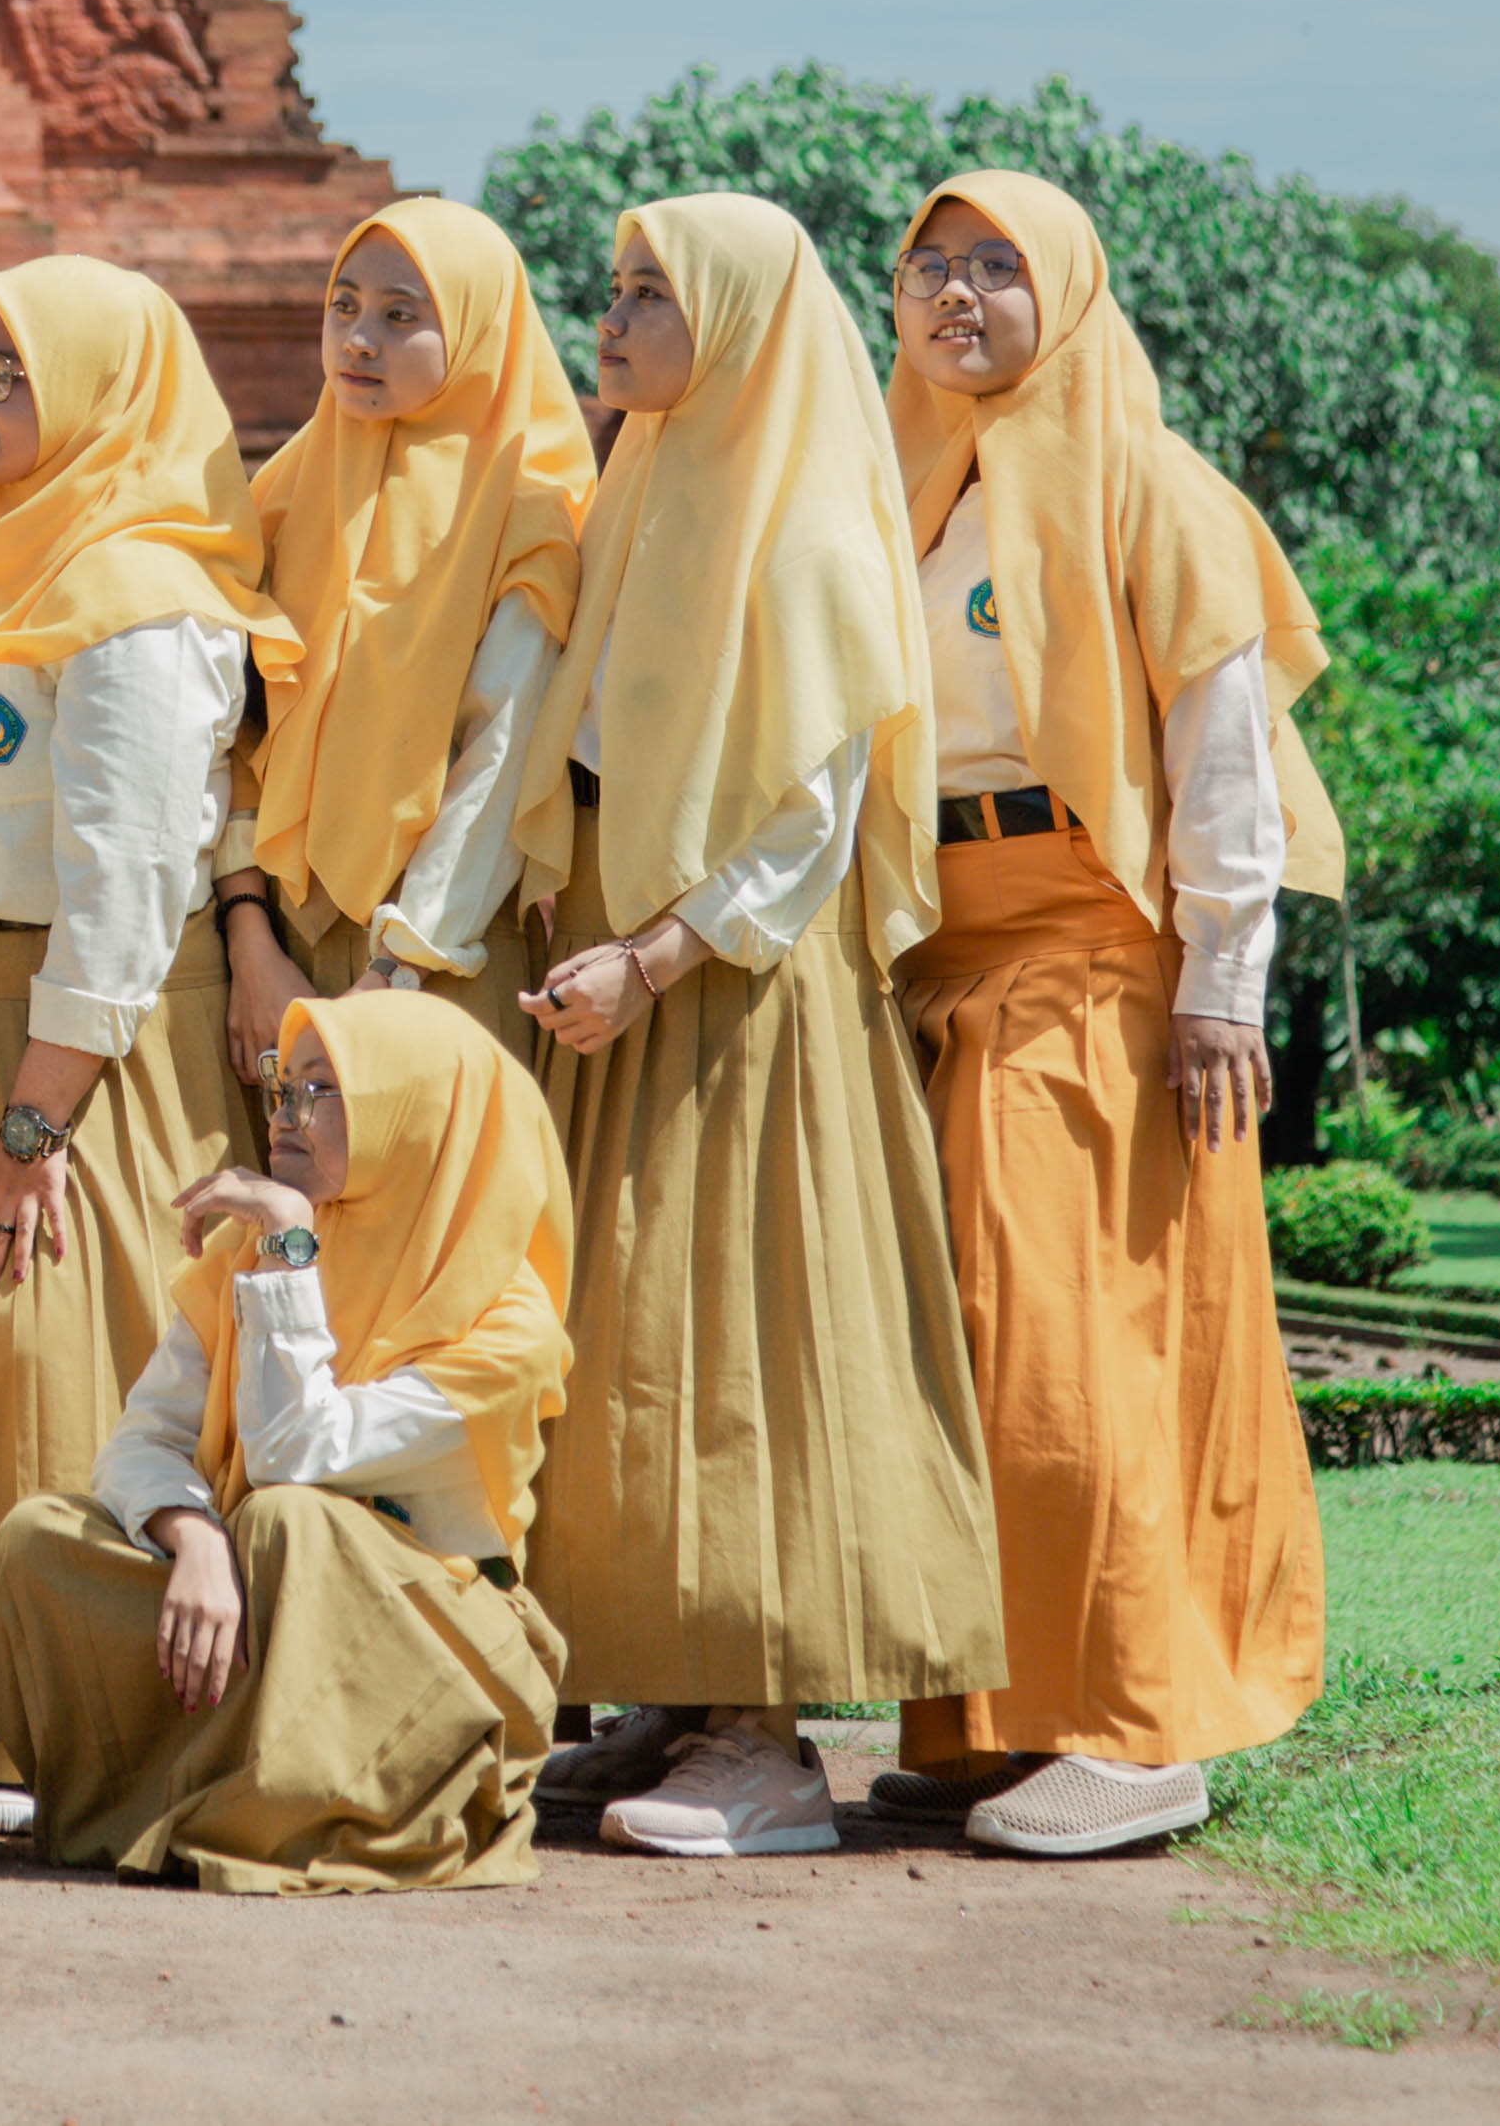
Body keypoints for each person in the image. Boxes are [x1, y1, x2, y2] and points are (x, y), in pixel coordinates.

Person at [506, 194, 1007, 1862]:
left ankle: (771, 1739)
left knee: (745, 1345)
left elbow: (807, 815)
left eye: (654, 292)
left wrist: (650, 957)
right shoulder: (645, 491)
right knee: (636, 1341)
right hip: (626, 975)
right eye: (614, 283)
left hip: (737, 1000)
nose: (615, 314)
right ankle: (674, 1680)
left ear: (734, 325)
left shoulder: (800, 529)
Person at [876, 170, 1337, 1860]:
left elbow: (1223, 766)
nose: (957, 299)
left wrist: (1221, 988)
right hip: (938, 943)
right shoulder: (904, 481)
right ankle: (994, 1721)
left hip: (1097, 945)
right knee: (972, 1350)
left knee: (1079, 1345)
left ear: (1064, 290)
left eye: (998, 268)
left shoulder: (1151, 488)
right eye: (929, 269)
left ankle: (1140, 1726)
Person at [0, 258, 293, 1527]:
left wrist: (32, 1129)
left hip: (74, 1047)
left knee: (54, 1363)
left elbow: (129, 875)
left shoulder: (137, 602)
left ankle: (80, 1700)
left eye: (12, 373)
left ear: (106, 396)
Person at [0, 989, 571, 1891]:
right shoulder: (243, 1257)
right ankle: (203, 1796)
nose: (283, 1115)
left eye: (320, 1092)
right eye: (283, 1088)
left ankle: (263, 1804)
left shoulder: (506, 1321)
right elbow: (138, 1444)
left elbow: (297, 1451)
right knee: (39, 1539)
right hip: (257, 1607)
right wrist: (194, 1534)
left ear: (413, 1117)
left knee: (291, 1522)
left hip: (432, 1648)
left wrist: (289, 1245)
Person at [234, 201, 600, 1076]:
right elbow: (234, 731)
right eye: (344, 306)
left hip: (440, 962)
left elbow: (499, 760)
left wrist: (398, 967)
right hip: (274, 959)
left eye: (402, 315)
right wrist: (250, 941)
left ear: (476, 331)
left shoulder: (526, 511)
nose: (360, 339)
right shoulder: (285, 491)